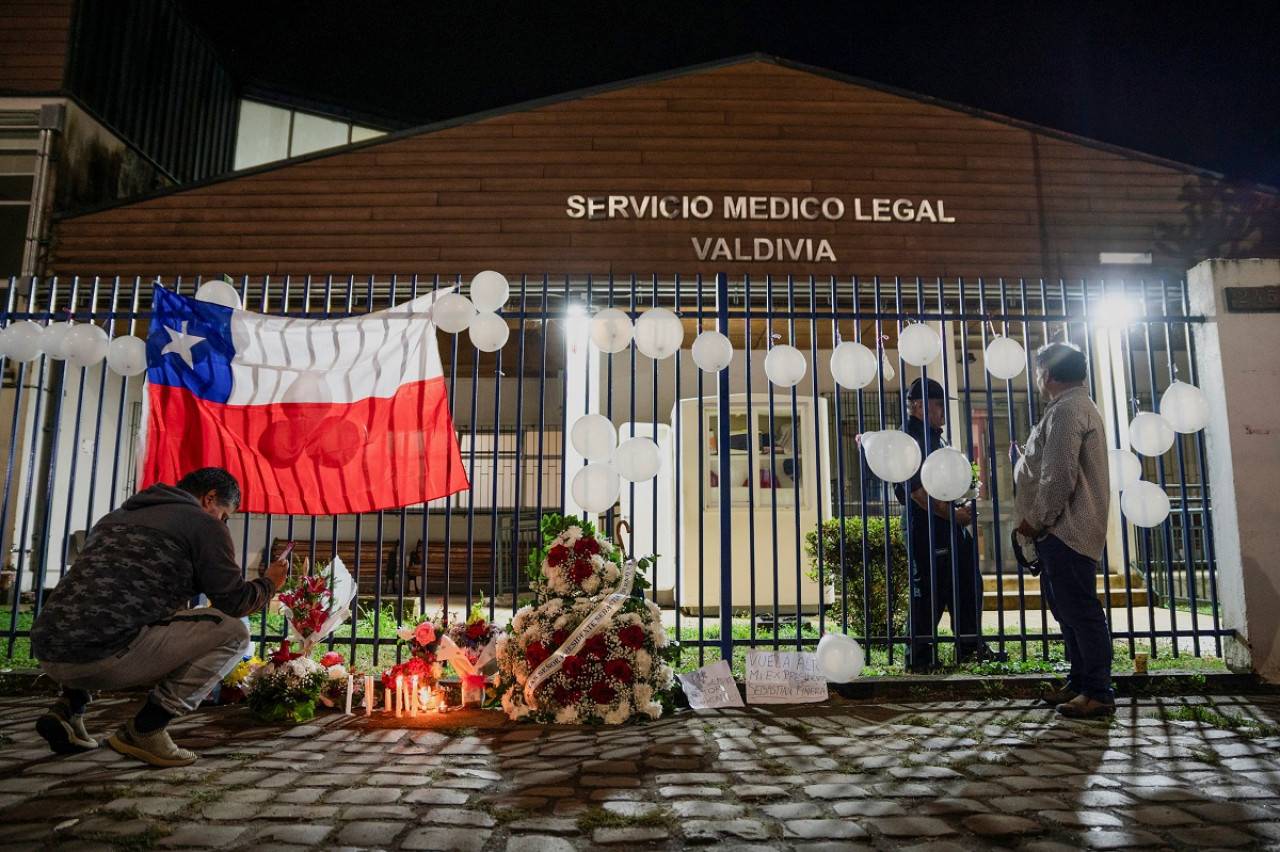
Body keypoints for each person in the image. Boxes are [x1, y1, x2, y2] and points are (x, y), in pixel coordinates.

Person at [31, 467, 289, 766]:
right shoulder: (203, 523)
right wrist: (270, 582)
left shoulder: (114, 518)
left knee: (104, 613)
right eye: (225, 515)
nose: (223, 523)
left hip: (49, 651)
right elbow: (235, 602)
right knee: (233, 633)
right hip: (103, 660)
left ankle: (68, 710)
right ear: (210, 498)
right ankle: (146, 729)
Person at [1014, 342, 1113, 718]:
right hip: (1059, 532)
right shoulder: (1067, 407)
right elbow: (1051, 465)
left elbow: (1059, 478)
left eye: (1039, 370)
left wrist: (1034, 520)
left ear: (1048, 374)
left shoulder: (1068, 410)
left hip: (1066, 530)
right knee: (1066, 611)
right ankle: (1080, 681)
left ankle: (1099, 691)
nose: (1038, 377)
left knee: (1081, 612)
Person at [895, 377, 1002, 672]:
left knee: (967, 582)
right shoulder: (911, 440)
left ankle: (969, 646)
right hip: (927, 526)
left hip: (948, 522)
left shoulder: (934, 435)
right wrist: (954, 515)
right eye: (938, 404)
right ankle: (920, 658)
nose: (944, 410)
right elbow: (916, 492)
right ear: (918, 406)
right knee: (929, 590)